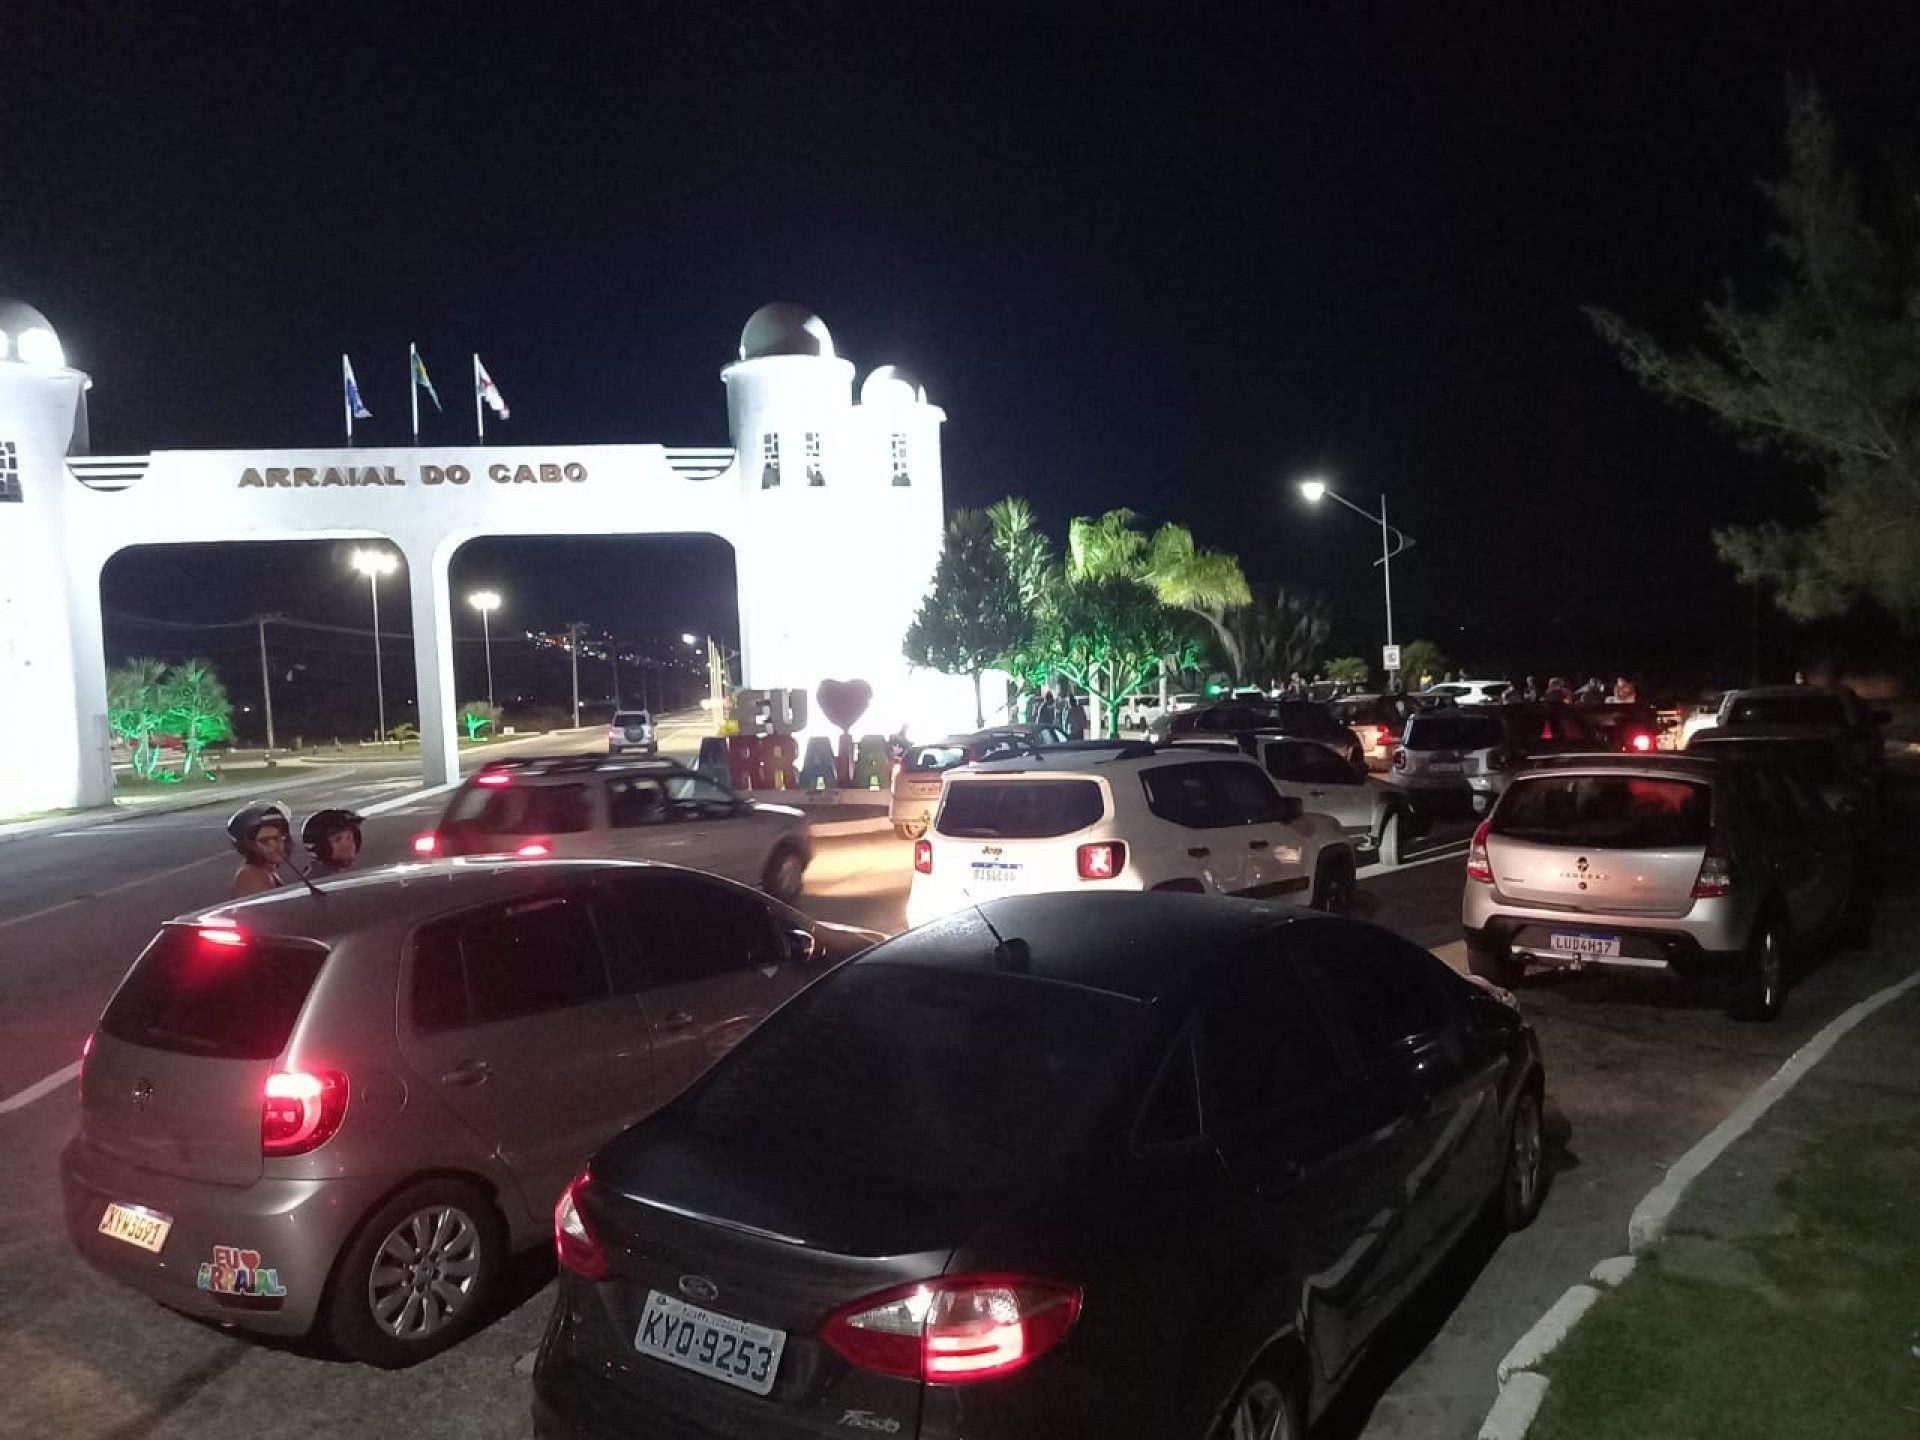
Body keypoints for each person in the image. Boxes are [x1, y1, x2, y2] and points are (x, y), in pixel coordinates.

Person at [228, 802, 293, 897]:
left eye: (279, 837)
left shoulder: (267, 871)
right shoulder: (251, 877)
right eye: (264, 841)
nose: (276, 845)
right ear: (248, 846)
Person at [301, 807, 365, 876]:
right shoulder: (313, 883)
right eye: (337, 840)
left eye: (349, 838)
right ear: (320, 848)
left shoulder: (354, 877)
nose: (347, 845)